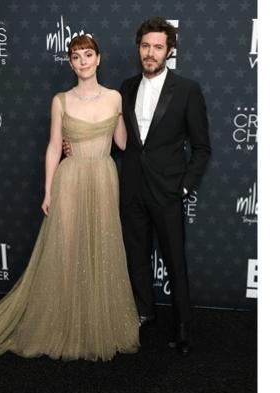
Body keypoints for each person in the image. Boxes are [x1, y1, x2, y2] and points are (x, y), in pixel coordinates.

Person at [0, 35, 139, 362]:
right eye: (75, 56)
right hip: (69, 180)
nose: (82, 61)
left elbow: (123, 144)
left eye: (87, 55)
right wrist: (48, 189)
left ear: (98, 59)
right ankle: (65, 323)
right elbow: (55, 146)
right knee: (67, 249)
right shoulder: (61, 101)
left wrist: (123, 115)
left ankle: (95, 322)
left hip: (103, 177)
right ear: (70, 63)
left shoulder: (115, 97)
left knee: (101, 245)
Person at [64, 17, 211, 356]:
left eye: (158, 47)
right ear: (138, 48)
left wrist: (185, 186)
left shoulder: (188, 89)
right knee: (136, 257)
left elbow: (202, 147)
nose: (150, 52)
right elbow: (116, 137)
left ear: (169, 51)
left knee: (175, 260)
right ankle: (145, 312)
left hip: (168, 191)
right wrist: (74, 143)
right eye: (145, 46)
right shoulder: (125, 89)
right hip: (130, 188)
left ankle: (183, 322)